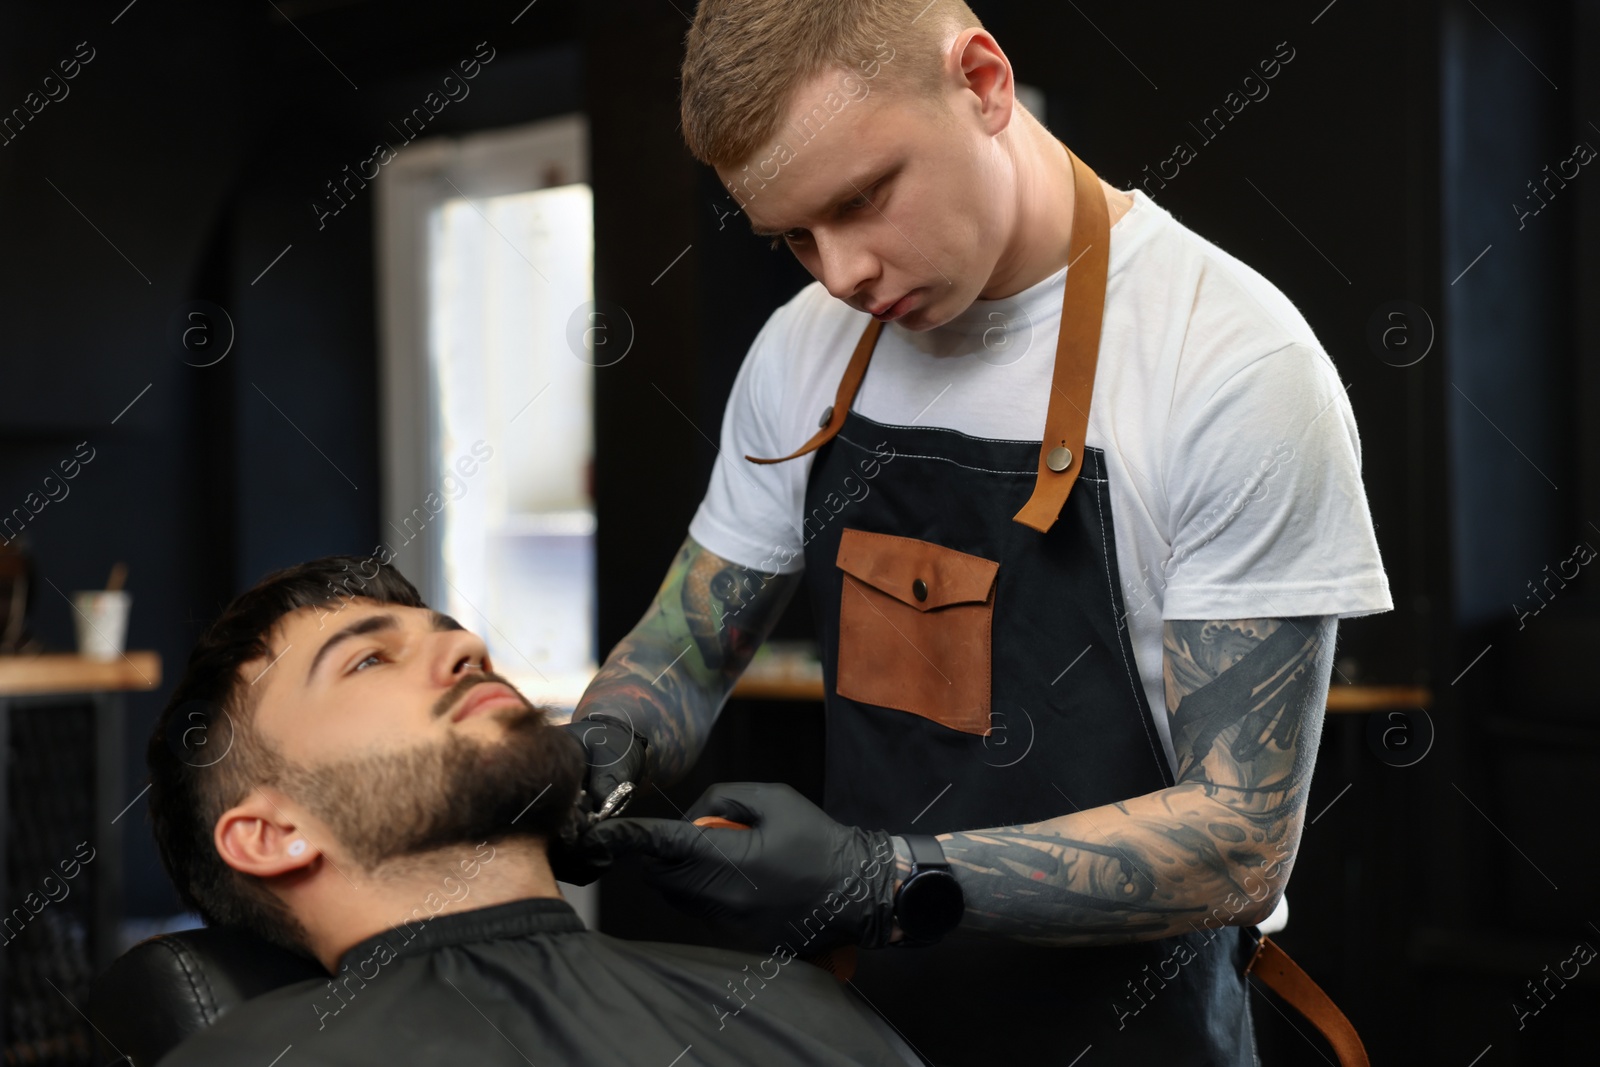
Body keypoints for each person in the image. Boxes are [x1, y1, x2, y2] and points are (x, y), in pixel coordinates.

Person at [567, 1, 1394, 1063]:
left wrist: (880, 876)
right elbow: (688, 641)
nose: (839, 273)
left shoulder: (1230, 366)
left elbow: (1239, 845)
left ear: (983, 80)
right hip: (869, 1028)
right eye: (794, 237)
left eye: (862, 199)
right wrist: (593, 749)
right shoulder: (803, 348)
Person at [143, 556, 924, 1066]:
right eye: (369, 658)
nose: (470, 647)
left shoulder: (801, 1008)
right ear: (272, 833)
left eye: (451, 636)